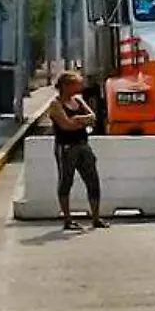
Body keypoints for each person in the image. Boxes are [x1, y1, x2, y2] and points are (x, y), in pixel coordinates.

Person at [48, 72, 108, 231]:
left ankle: (96, 217)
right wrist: (82, 121)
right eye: (76, 84)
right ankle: (67, 219)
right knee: (66, 181)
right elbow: (66, 126)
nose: (79, 87)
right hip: (66, 147)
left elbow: (93, 117)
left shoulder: (78, 101)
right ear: (66, 86)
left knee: (92, 180)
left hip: (83, 144)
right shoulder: (56, 104)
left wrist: (77, 121)